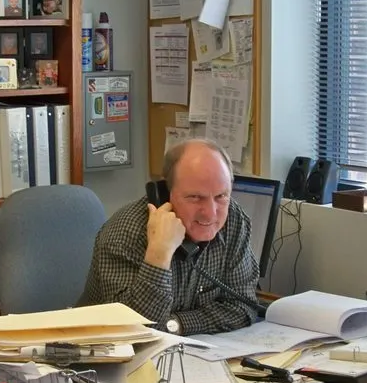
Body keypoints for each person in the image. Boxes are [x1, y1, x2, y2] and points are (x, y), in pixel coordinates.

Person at [81, 139, 259, 335]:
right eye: (195, 197)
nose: (210, 214)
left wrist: (176, 324)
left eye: (221, 196)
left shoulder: (234, 220)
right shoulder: (124, 234)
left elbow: (244, 307)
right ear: (166, 194)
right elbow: (132, 330)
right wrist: (159, 254)